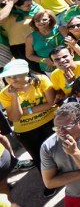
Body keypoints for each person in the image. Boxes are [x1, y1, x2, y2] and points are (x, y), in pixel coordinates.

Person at [0, 59, 57, 195]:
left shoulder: (41, 80)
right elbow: (14, 118)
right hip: (26, 131)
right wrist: (14, 96)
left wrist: (27, 112)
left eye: (15, 75)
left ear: (26, 72)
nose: (12, 80)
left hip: (50, 121)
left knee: (60, 150)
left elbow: (52, 103)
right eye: (8, 77)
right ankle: (50, 182)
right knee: (39, 158)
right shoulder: (5, 93)